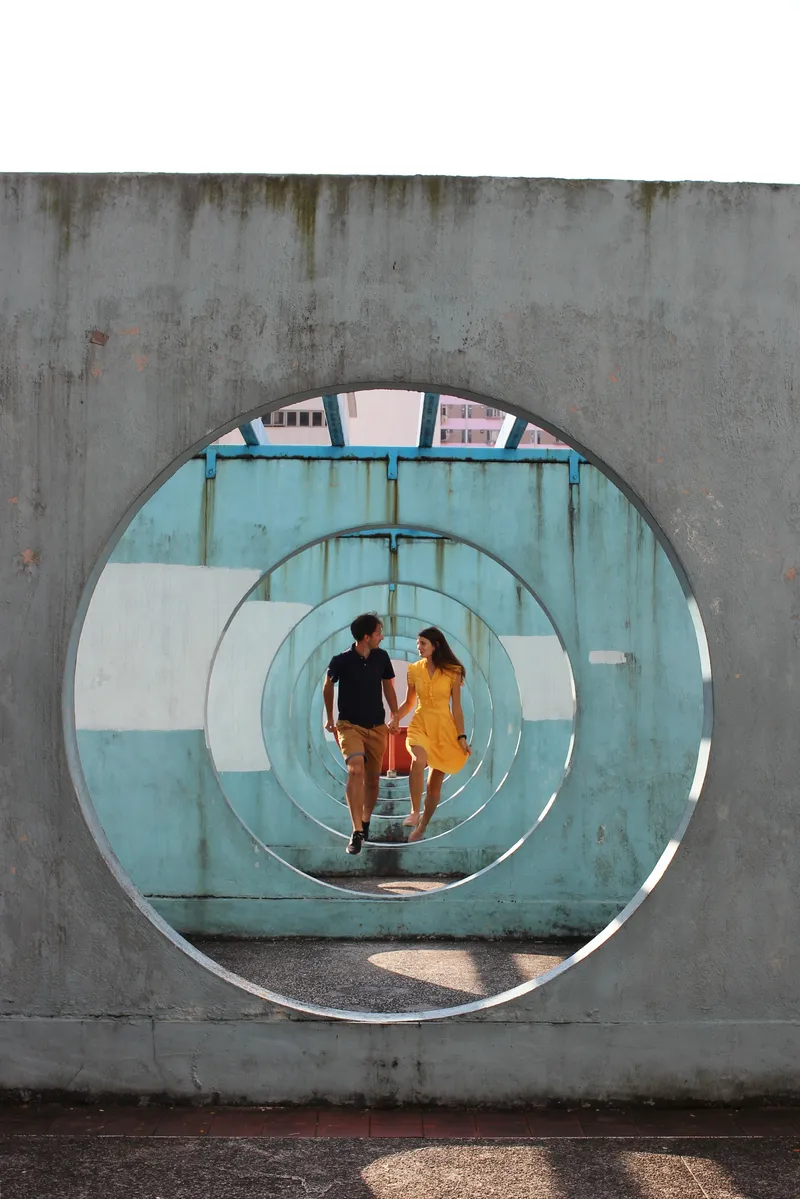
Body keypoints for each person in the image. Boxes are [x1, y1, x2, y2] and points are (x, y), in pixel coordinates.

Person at [323, 612, 399, 855]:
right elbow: (328, 685)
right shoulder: (341, 660)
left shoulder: (381, 657)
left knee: (373, 780)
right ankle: (356, 831)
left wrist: (395, 715)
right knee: (356, 769)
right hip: (350, 726)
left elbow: (388, 686)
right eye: (379, 633)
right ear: (366, 636)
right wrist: (330, 717)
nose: (382, 637)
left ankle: (365, 820)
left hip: (376, 727)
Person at [395, 626, 471, 842]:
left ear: (435, 645)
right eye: (418, 643)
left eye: (423, 643)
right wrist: (395, 718)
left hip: (444, 729)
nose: (418, 647)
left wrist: (462, 736)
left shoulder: (453, 671)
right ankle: (414, 811)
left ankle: (422, 826)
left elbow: (456, 707)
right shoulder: (413, 670)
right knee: (419, 760)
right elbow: (410, 703)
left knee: (434, 785)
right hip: (420, 724)